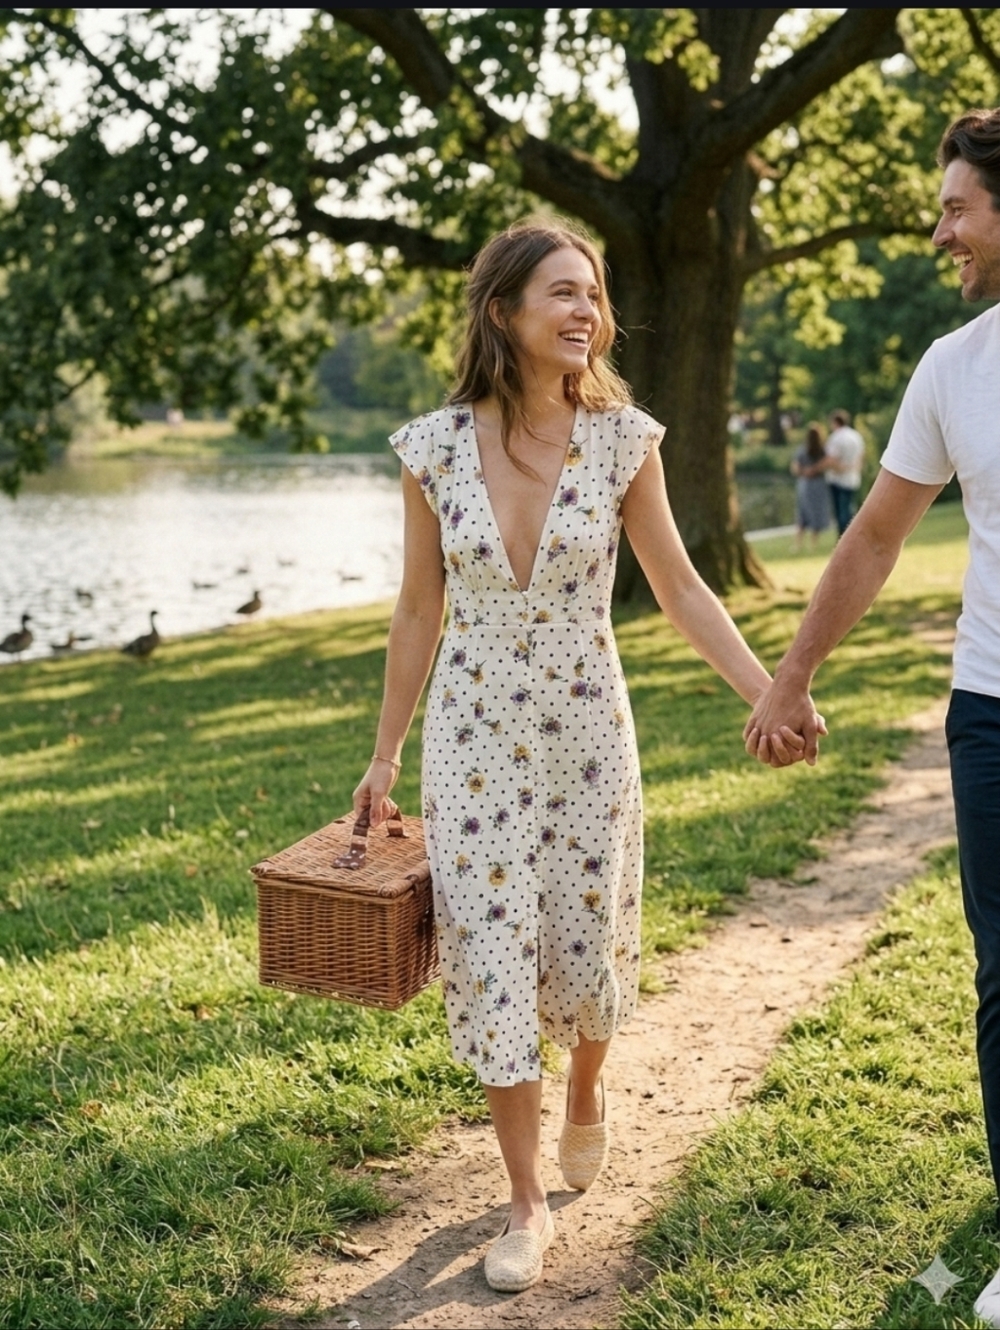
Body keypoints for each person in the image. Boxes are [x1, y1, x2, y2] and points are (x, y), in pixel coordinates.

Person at [355, 218, 781, 1293]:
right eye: (562, 293)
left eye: (592, 294)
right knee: (492, 952)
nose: (585, 311)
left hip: (589, 728)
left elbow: (681, 588)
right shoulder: (433, 448)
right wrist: (384, 756)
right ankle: (525, 1202)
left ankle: (588, 1082)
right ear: (504, 312)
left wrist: (772, 691)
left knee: (587, 942)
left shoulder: (623, 441)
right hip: (473, 737)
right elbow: (417, 609)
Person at [742, 107, 1000, 1327]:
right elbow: (876, 535)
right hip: (992, 708)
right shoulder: (952, 366)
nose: (938, 228)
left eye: (956, 205)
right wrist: (787, 678)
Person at [823, 408, 866, 535]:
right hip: (853, 477)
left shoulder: (836, 438)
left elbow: (831, 459)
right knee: (849, 507)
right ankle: (851, 533)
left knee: (841, 511)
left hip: (838, 478)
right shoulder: (856, 436)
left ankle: (843, 535)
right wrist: (855, 468)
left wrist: (841, 468)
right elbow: (862, 455)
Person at [791, 422, 831, 551]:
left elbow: (795, 468)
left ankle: (797, 544)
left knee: (802, 513)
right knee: (816, 512)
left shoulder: (802, 450)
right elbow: (827, 463)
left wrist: (805, 472)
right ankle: (813, 544)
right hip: (818, 483)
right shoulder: (823, 450)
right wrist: (815, 470)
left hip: (805, 484)